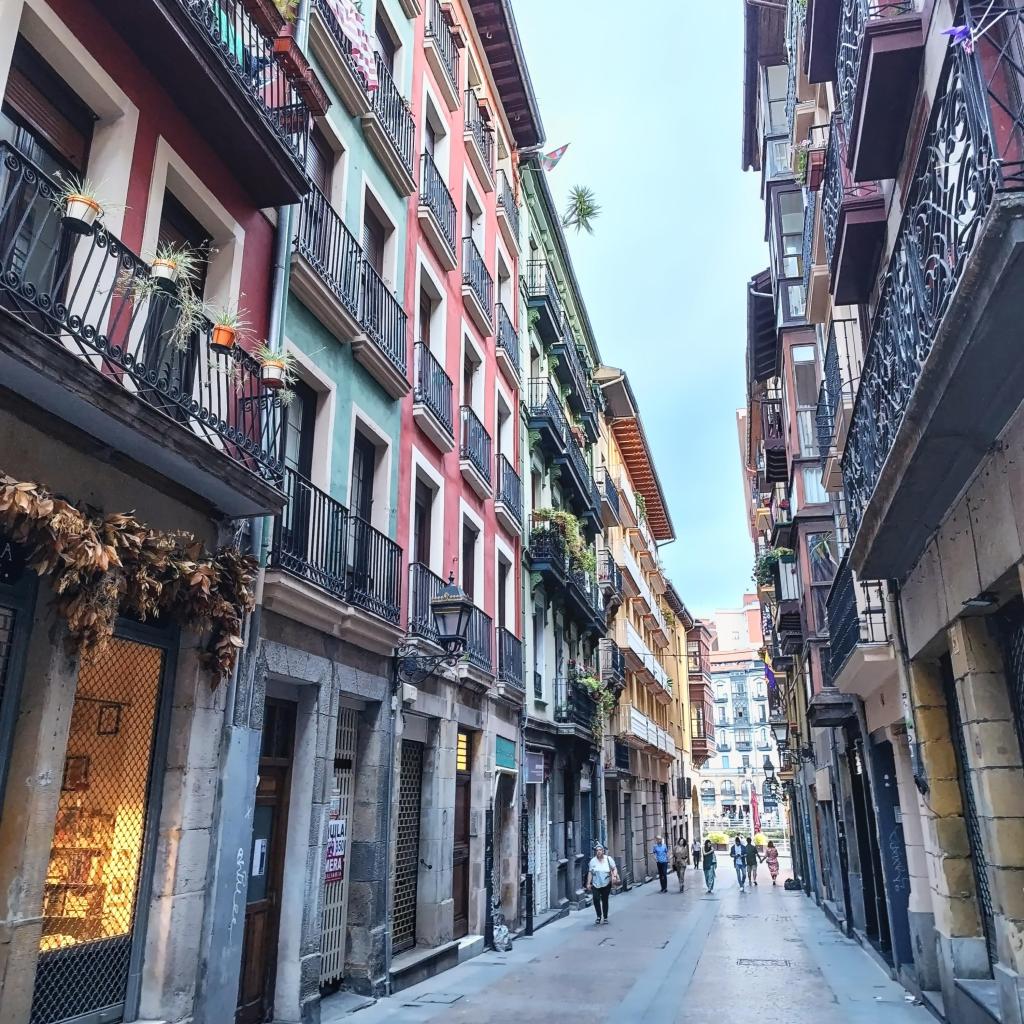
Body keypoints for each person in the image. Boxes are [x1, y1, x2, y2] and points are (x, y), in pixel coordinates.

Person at [586, 842, 619, 924]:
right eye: (597, 850)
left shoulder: (608, 859)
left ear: (603, 851)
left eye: (600, 850)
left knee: (605, 900)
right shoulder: (592, 861)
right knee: (596, 899)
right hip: (595, 884)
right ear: (595, 852)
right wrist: (588, 883)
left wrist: (614, 876)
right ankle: (598, 916)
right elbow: (590, 872)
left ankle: (605, 917)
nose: (599, 852)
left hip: (606, 883)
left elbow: (614, 868)